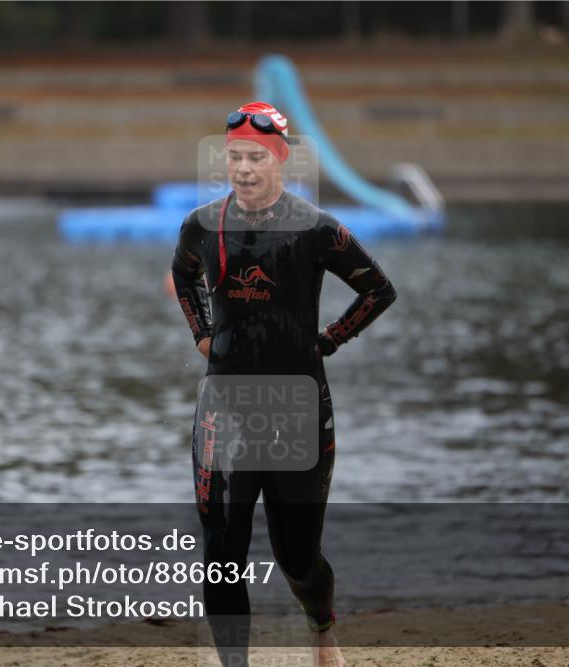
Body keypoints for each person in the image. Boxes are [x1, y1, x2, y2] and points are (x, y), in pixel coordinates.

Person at [171, 101, 397, 667]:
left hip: (297, 409)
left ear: (280, 160)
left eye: (255, 157)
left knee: (297, 557)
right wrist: (202, 333)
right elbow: (182, 274)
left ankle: (322, 627)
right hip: (223, 408)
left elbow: (378, 290)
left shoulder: (315, 228)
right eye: (234, 157)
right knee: (221, 552)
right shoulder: (202, 225)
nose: (243, 169)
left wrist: (329, 340)